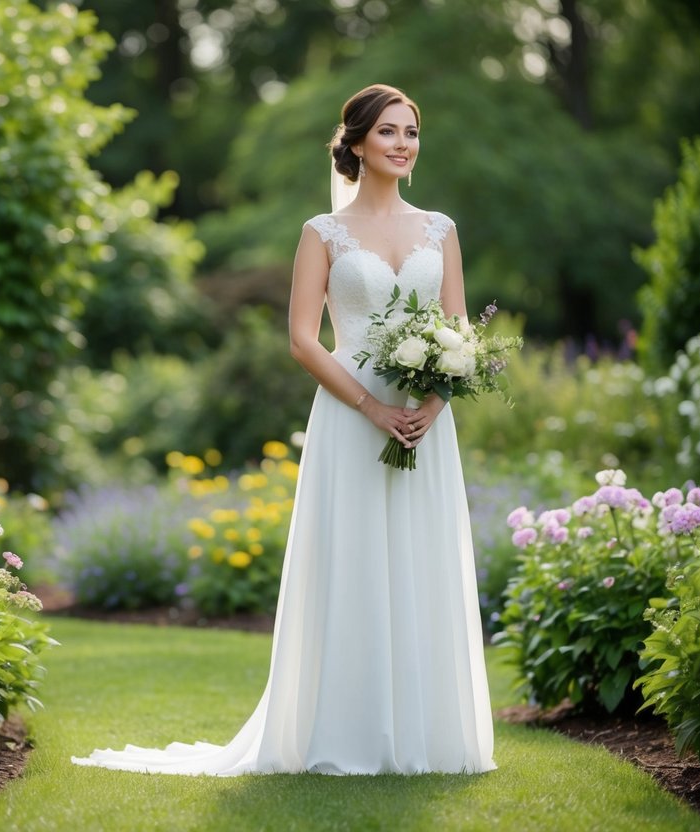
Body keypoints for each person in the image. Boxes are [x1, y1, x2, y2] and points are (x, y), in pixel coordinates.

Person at [71, 83, 496, 776]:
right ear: (356, 144)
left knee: (419, 560)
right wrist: (371, 407)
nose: (401, 144)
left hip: (424, 421)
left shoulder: (439, 230)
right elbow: (302, 339)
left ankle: (429, 737)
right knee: (353, 561)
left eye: (410, 132)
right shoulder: (320, 234)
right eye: (387, 132)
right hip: (350, 416)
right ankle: (347, 734)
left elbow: (459, 332)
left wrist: (432, 406)